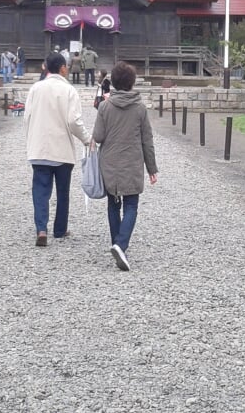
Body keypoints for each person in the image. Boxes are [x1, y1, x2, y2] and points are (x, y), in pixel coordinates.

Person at [91, 61, 158, 271]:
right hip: (132, 161)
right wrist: (152, 169)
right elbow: (147, 140)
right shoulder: (140, 108)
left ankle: (117, 243)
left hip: (109, 162)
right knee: (131, 206)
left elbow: (98, 136)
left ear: (114, 83)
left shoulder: (105, 106)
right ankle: (121, 244)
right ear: (131, 83)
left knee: (113, 204)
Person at [24, 51, 91, 247]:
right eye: (67, 67)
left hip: (39, 148)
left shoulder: (36, 88)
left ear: (46, 67)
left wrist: (30, 141)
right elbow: (73, 121)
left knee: (40, 190)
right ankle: (60, 229)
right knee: (63, 191)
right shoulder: (69, 91)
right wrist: (87, 140)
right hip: (62, 149)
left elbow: (27, 117)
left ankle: (41, 229)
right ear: (62, 68)